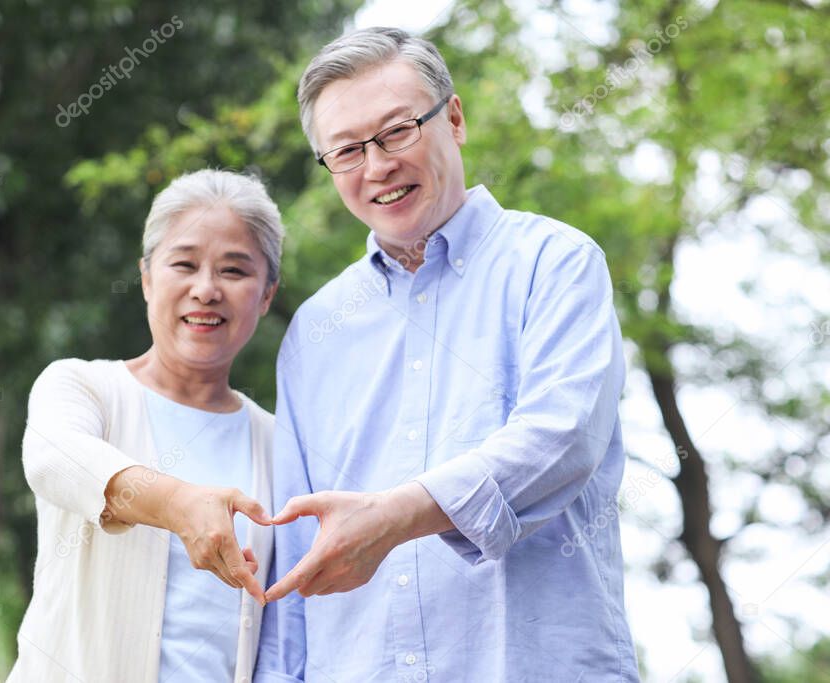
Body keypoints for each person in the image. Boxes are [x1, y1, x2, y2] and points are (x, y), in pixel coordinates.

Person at [255, 27, 639, 681]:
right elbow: (292, 553)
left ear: (453, 119)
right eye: (346, 150)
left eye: (396, 131)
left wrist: (392, 517)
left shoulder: (554, 264)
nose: (376, 167)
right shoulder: (314, 331)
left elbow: (562, 436)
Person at [7, 169, 284, 682]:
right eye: (184, 264)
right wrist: (181, 505)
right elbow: (55, 458)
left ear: (266, 295)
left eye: (234, 271)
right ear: (147, 278)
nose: (206, 290)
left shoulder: (277, 443)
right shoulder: (84, 388)